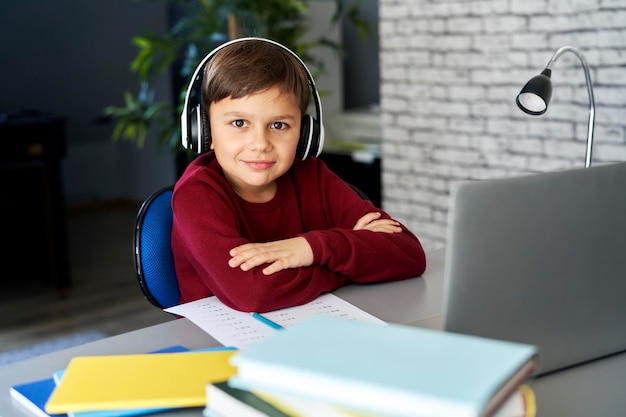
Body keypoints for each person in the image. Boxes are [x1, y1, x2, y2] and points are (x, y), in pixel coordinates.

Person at [171, 37, 426, 313]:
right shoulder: (197, 194)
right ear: (204, 131)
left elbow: (408, 254)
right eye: (239, 123)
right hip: (217, 345)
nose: (260, 143)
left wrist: (310, 248)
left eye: (279, 124)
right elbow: (254, 294)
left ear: (305, 134)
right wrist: (346, 265)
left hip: (314, 328)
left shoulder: (311, 175)